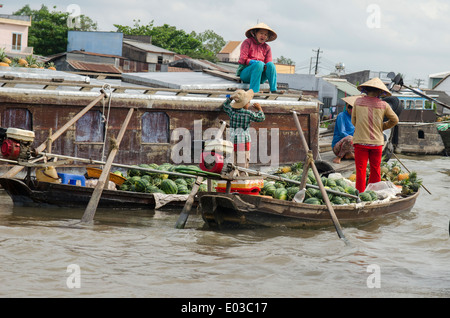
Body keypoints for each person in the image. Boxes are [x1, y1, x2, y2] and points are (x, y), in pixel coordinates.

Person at [352, 78, 399, 193]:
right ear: (379, 92)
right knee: (375, 170)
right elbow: (395, 120)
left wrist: (362, 128)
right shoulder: (384, 105)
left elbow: (354, 121)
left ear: (366, 90)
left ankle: (360, 195)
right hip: (377, 143)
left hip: (360, 142)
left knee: (361, 171)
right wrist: (382, 127)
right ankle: (373, 193)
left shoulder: (357, 102)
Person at [222, 89, 265, 173]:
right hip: (243, 142)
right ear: (245, 104)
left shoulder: (232, 112)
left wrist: (230, 98)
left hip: (232, 142)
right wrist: (259, 109)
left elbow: (225, 105)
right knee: (242, 165)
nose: (249, 104)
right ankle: (242, 179)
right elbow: (261, 118)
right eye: (248, 102)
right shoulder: (248, 114)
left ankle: (232, 180)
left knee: (232, 164)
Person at [236, 23, 278, 93]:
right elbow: (243, 59)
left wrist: (262, 65)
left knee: (271, 65)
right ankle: (254, 91)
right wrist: (253, 62)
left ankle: (273, 89)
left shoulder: (267, 47)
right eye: (261, 33)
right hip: (247, 74)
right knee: (259, 64)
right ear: (255, 33)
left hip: (260, 77)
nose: (263, 36)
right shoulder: (247, 42)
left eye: (265, 34)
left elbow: (268, 63)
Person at [331, 96, 359, 164]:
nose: (351, 109)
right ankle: (339, 157)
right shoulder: (341, 116)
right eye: (350, 107)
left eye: (353, 107)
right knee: (350, 138)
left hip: (351, 146)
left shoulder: (356, 118)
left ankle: (349, 155)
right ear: (346, 106)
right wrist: (354, 139)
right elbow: (342, 133)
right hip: (339, 147)